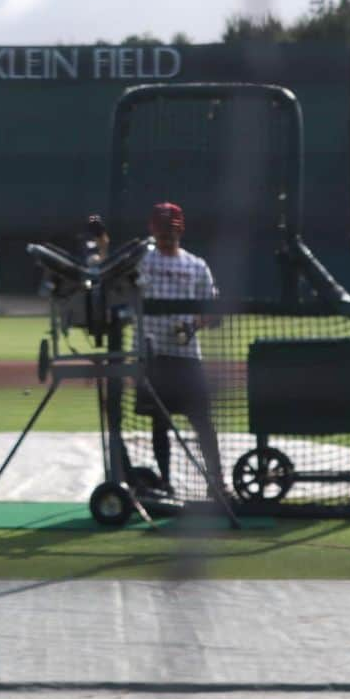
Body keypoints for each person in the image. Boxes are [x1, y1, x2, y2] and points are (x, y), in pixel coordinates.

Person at [135, 201, 225, 499]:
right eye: (162, 231)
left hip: (187, 358)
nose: (166, 237)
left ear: (181, 230)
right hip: (151, 356)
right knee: (159, 424)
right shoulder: (142, 262)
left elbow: (213, 312)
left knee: (203, 422)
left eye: (170, 231)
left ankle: (217, 482)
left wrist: (191, 326)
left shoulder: (196, 265)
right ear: (153, 230)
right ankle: (164, 481)